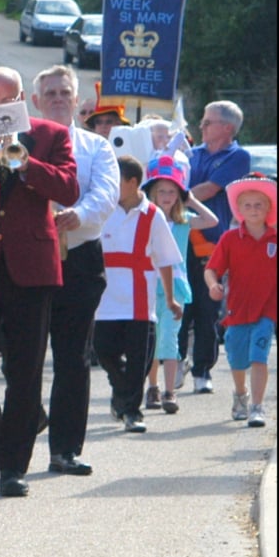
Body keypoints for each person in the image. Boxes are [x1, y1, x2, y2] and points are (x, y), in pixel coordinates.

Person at [0, 67, 80, 498]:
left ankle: (14, 466)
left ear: (22, 99)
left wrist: (26, 163)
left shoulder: (51, 135)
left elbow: (69, 187)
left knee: (25, 369)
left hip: (31, 266)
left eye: (7, 100)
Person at [34, 67, 119, 478]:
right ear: (36, 101)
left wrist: (78, 214)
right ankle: (17, 428)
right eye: (49, 92)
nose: (57, 98)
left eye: (64, 92)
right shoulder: (22, 144)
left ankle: (65, 449)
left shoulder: (96, 147)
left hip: (80, 256)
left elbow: (107, 192)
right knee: (21, 360)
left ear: (76, 99)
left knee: (72, 358)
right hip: (27, 260)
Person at [89, 157, 182, 435]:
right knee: (104, 352)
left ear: (132, 183)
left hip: (140, 300)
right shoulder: (102, 209)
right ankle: (121, 390)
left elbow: (165, 259)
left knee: (140, 360)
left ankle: (131, 410)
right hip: (105, 300)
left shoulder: (152, 214)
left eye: (115, 181)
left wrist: (169, 298)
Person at [181, 102, 253, 394]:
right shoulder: (189, 153)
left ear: (227, 128)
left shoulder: (238, 156)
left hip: (211, 243)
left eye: (208, 122)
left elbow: (211, 189)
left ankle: (202, 370)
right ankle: (177, 361)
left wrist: (173, 197)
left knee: (206, 307)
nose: (201, 126)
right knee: (180, 307)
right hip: (180, 238)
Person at [143, 157, 217, 411]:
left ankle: (169, 391)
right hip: (149, 285)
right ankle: (152, 387)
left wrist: (191, 199)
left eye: (172, 191)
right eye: (161, 191)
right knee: (151, 339)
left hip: (176, 287)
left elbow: (212, 221)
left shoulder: (183, 219)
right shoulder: (146, 218)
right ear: (152, 193)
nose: (166, 196)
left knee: (170, 339)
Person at [203, 177, 277, 428]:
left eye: (259, 204)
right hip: (237, 309)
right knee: (236, 358)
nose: (254, 209)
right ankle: (240, 394)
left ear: (269, 208)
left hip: (267, 310)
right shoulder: (230, 239)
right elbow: (211, 269)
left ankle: (257, 406)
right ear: (239, 209)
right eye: (248, 205)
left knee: (259, 356)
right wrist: (213, 285)